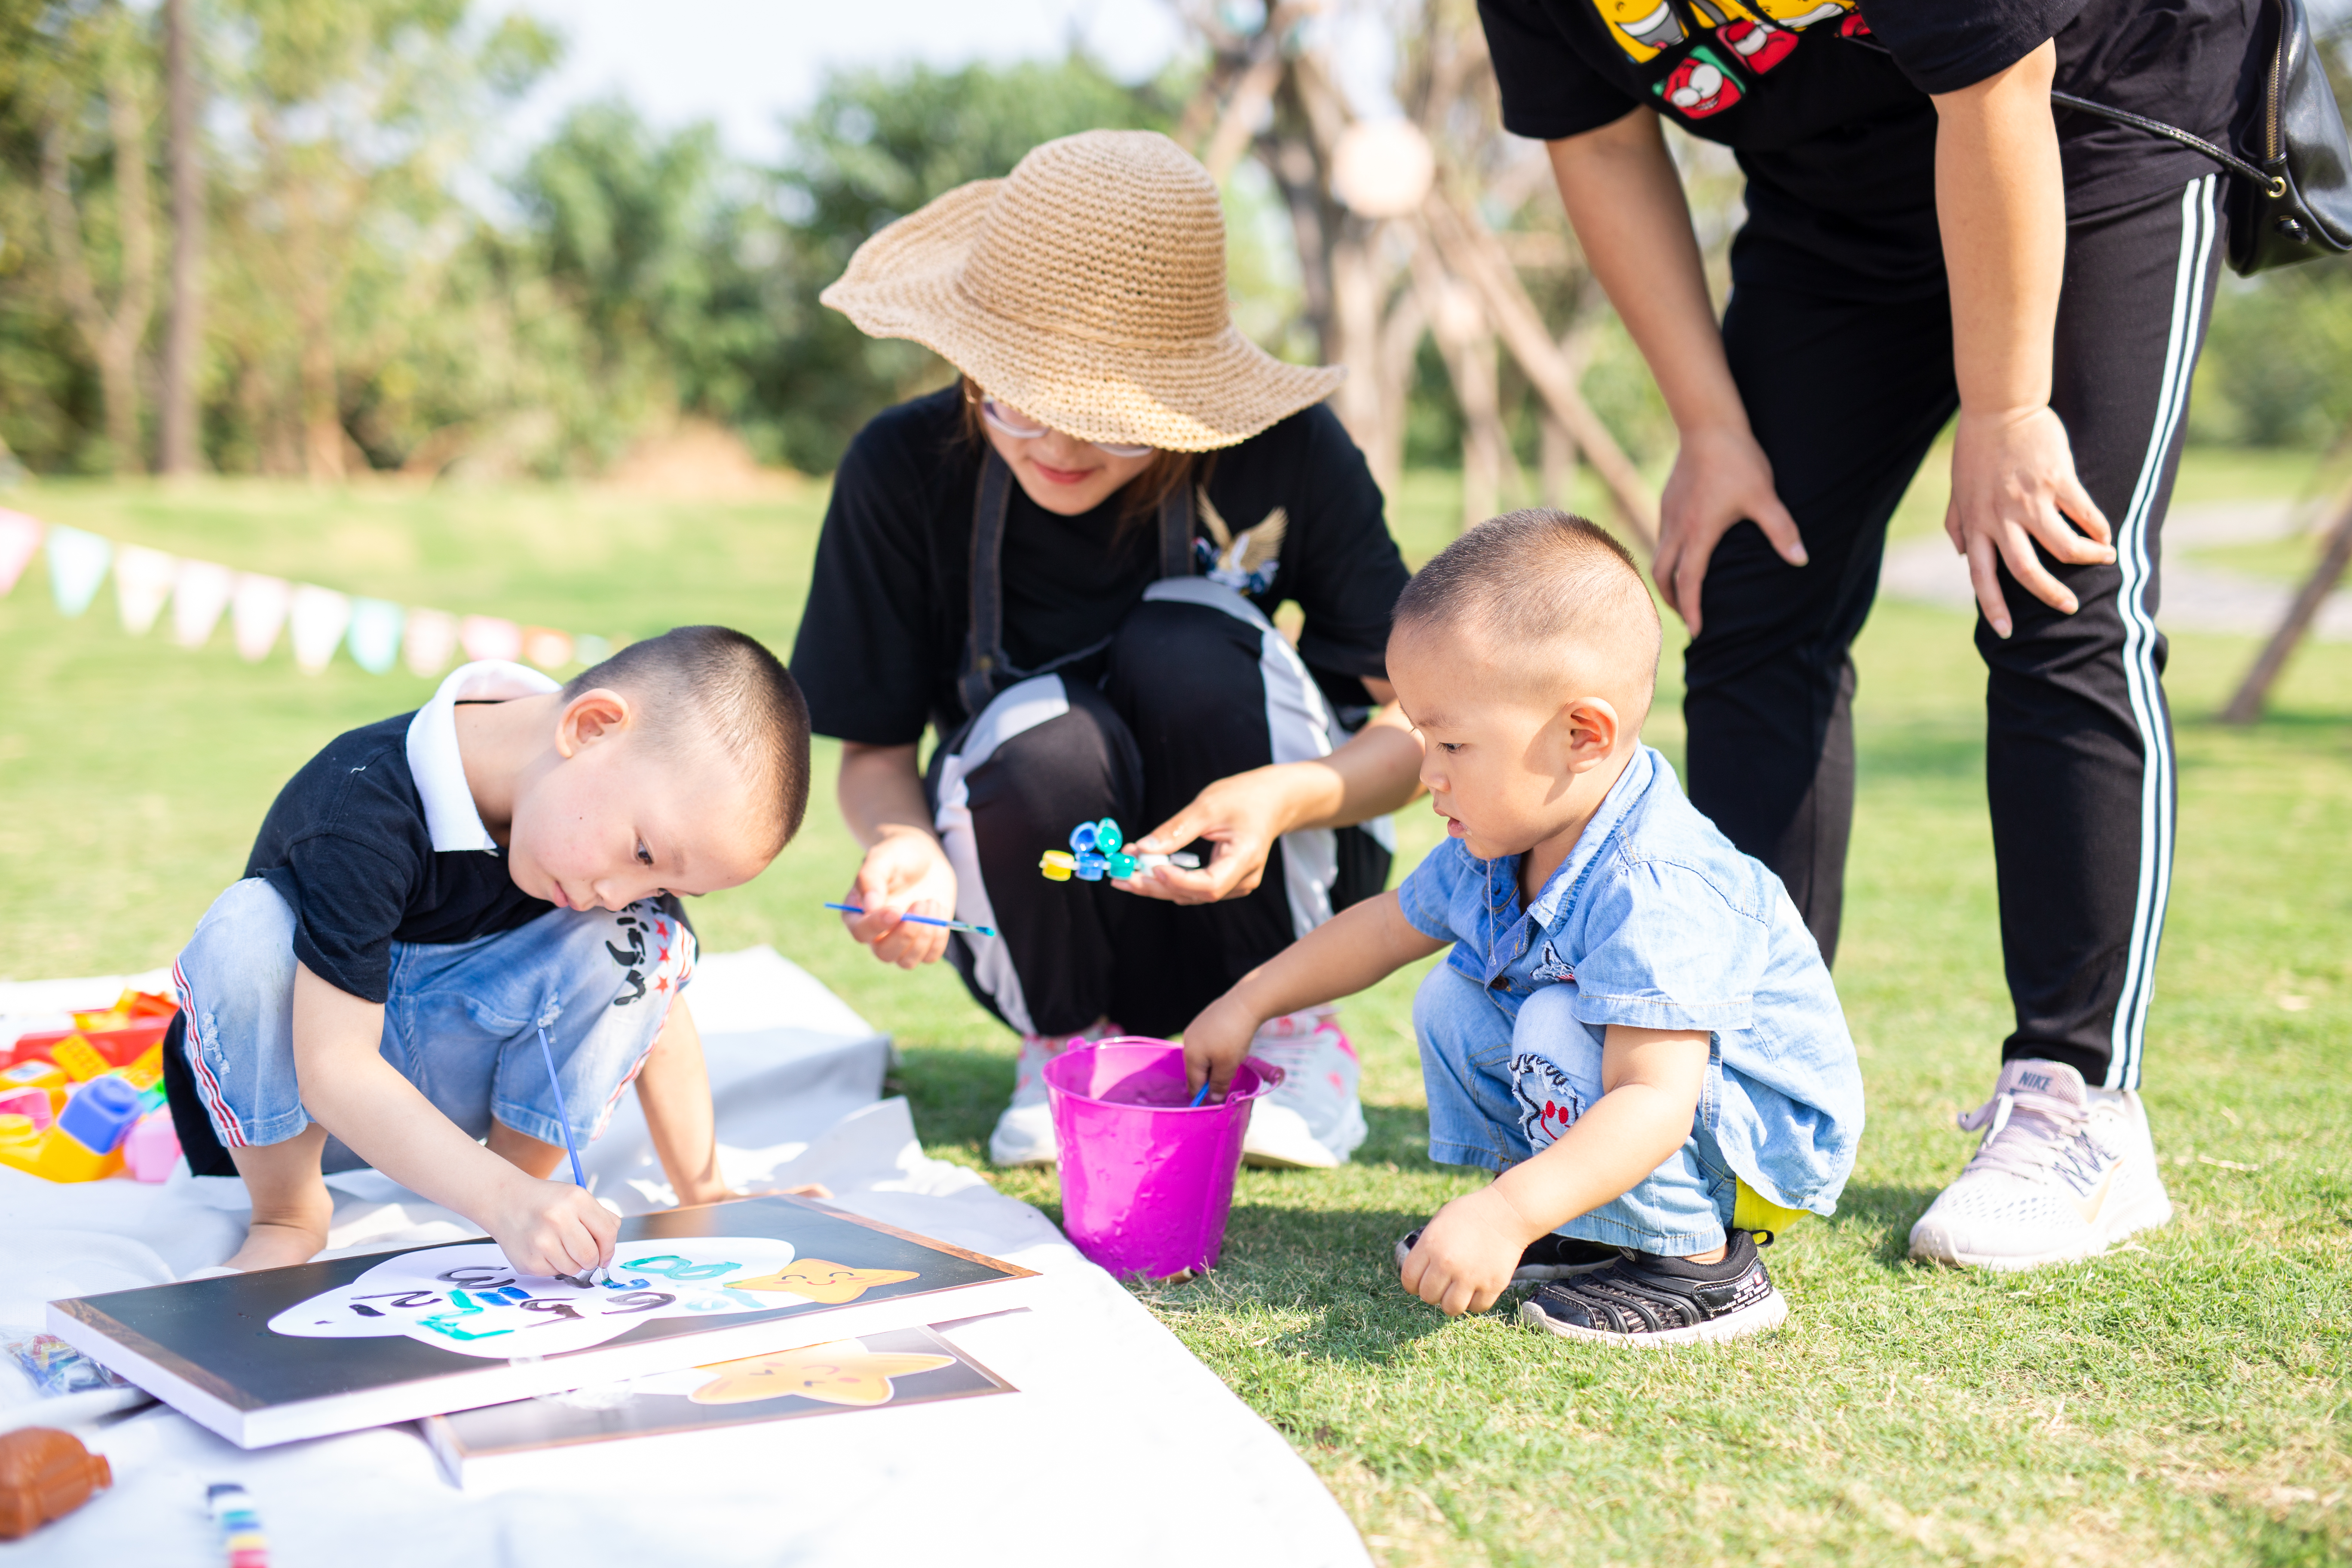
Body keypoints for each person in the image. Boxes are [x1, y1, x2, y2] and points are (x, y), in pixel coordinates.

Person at [1473, 0, 2251, 1266]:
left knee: (2056, 575)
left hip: (2092, 120)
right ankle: (1740, 1066)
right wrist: (1710, 429)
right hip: (1836, 206)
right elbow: (1603, 139)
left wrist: (2010, 406)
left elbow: (1998, 80)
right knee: (1750, 580)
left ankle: (2076, 1101)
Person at [793, 129, 1422, 1170]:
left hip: (1284, 918)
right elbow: (871, 756)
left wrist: (1286, 798)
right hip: (1041, 933)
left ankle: (1290, 1036)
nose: (1060, 444)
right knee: (1042, 736)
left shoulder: (1291, 455)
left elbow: (1416, 727)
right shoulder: (900, 471)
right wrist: (903, 847)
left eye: (1116, 418)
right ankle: (1067, 1046)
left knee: (1190, 641)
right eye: (1017, 394)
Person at [1184, 511, 1863, 1344]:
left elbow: (1657, 1100)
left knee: (1551, 1016)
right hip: (1651, 1105)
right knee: (1454, 996)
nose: (1426, 775)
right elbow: (1384, 927)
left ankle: (1700, 1264)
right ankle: (1588, 1222)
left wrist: (1505, 1214)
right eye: (1421, 739)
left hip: (1751, 1147)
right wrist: (1250, 1001)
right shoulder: (1500, 840)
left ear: (1582, 734)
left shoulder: (1655, 883)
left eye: (1453, 744)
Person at [160, 627, 813, 1274]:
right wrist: (504, 1203)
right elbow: (333, 1068)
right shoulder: (362, 804)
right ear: (589, 729)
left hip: (449, 1108)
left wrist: (707, 1192)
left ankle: (511, 1188)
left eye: (665, 883)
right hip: (290, 1111)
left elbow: (660, 1007)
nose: (622, 895)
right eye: (644, 855)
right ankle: (291, 1216)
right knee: (246, 930)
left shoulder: (585, 843)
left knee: (645, 945)